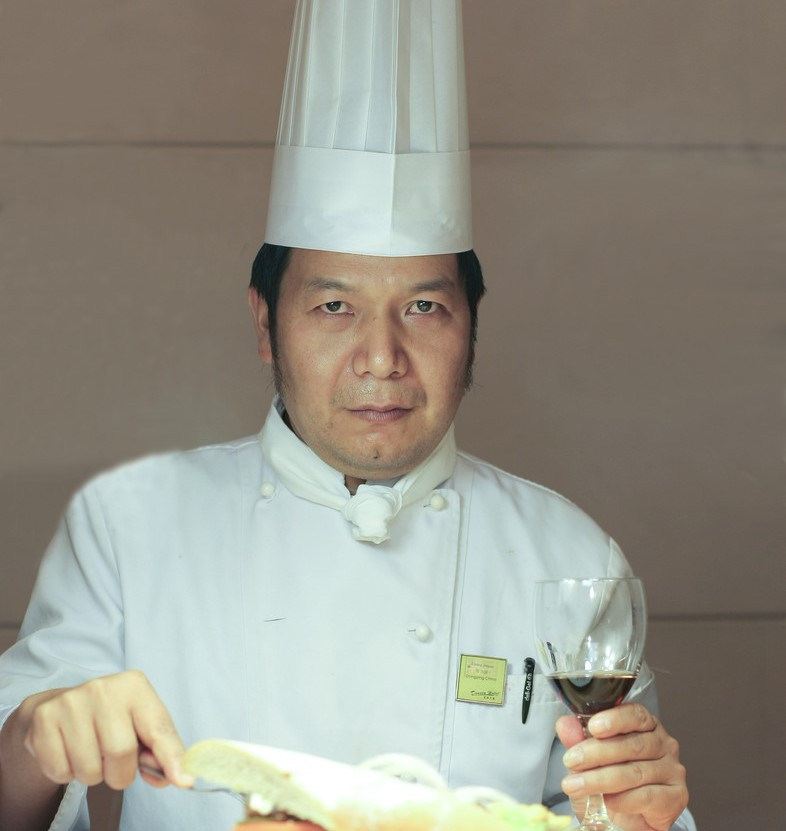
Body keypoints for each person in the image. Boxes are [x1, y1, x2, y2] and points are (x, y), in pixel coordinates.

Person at [0, 2, 693, 830]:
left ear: (471, 327)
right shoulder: (130, 526)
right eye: (334, 306)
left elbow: (611, 808)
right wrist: (36, 738)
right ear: (265, 323)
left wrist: (637, 814)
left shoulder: (572, 558)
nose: (380, 357)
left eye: (424, 308)